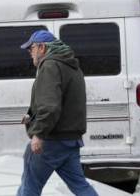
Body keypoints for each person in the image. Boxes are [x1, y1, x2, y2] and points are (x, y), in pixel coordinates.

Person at [16, 30, 97, 196]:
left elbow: (50, 106)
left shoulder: (50, 66)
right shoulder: (72, 67)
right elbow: (64, 103)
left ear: (42, 47)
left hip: (51, 140)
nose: (30, 53)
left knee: (29, 186)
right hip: (71, 141)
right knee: (80, 186)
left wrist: (38, 133)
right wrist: (32, 116)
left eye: (31, 49)